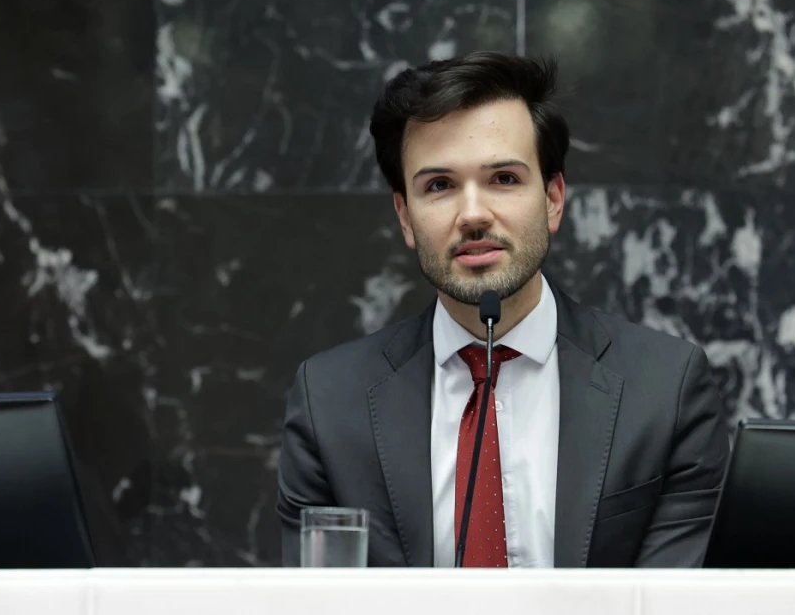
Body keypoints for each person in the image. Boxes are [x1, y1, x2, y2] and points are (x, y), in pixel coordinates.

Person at [276, 51, 731, 568]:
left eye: (504, 179)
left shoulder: (666, 390)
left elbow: (672, 598)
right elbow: (316, 599)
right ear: (404, 217)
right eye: (439, 186)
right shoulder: (331, 404)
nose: (473, 215)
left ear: (553, 198)